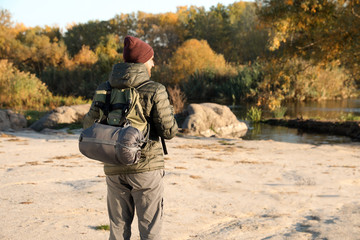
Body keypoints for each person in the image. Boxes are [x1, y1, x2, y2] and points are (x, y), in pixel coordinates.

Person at [83, 35, 178, 240]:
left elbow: (88, 124)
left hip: (113, 165)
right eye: (151, 59)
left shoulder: (105, 88)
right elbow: (169, 132)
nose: (153, 63)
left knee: (118, 229)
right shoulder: (155, 89)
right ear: (143, 61)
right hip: (146, 168)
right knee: (150, 230)